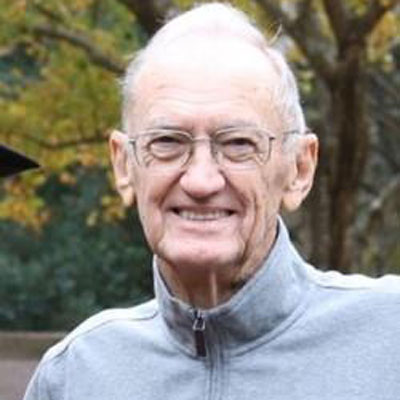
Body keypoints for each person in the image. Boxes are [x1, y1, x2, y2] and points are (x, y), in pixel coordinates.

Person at [24, 3, 400, 399]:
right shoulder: (77, 375)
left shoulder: (389, 340)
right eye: (167, 142)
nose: (201, 181)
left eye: (238, 144)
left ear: (299, 169)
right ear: (123, 164)